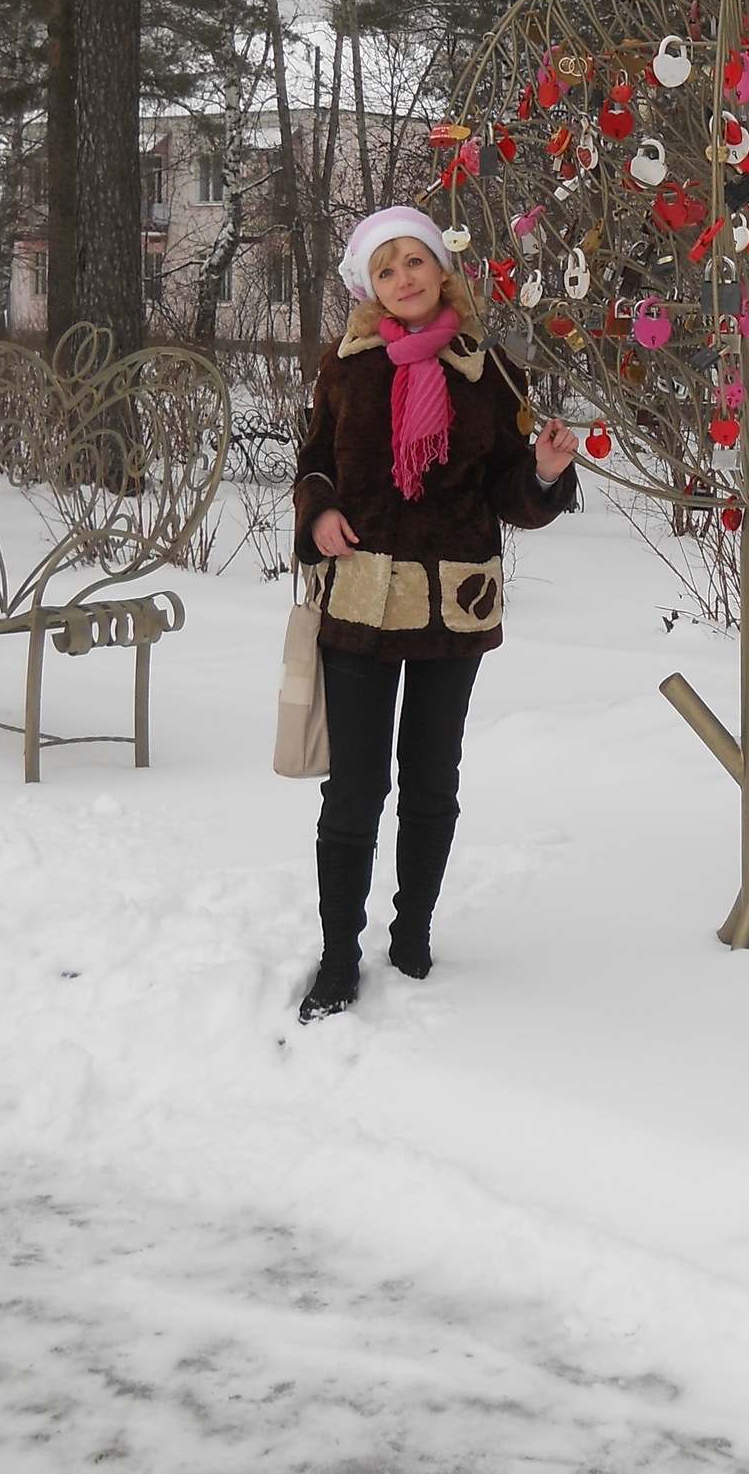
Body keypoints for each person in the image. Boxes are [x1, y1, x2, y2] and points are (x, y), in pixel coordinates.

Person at [291, 205, 578, 1022]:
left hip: (452, 605)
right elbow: (314, 461)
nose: (403, 278)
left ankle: (412, 933)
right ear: (370, 288)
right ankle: (338, 957)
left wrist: (544, 472)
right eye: (385, 269)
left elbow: (510, 494)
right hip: (361, 601)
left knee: (430, 780)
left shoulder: (490, 371)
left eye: (414, 260)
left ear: (441, 270)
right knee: (354, 790)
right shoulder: (346, 367)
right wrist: (319, 512)